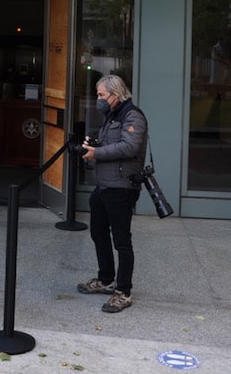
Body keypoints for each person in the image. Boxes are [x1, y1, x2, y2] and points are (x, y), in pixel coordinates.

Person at [77, 74, 147, 313]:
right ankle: (106, 280)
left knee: (121, 241)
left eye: (101, 95)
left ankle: (123, 291)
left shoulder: (132, 116)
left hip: (121, 188)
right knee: (98, 233)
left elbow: (130, 146)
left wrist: (97, 153)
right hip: (104, 186)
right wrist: (93, 143)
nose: (98, 100)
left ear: (115, 95)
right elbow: (110, 142)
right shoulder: (112, 115)